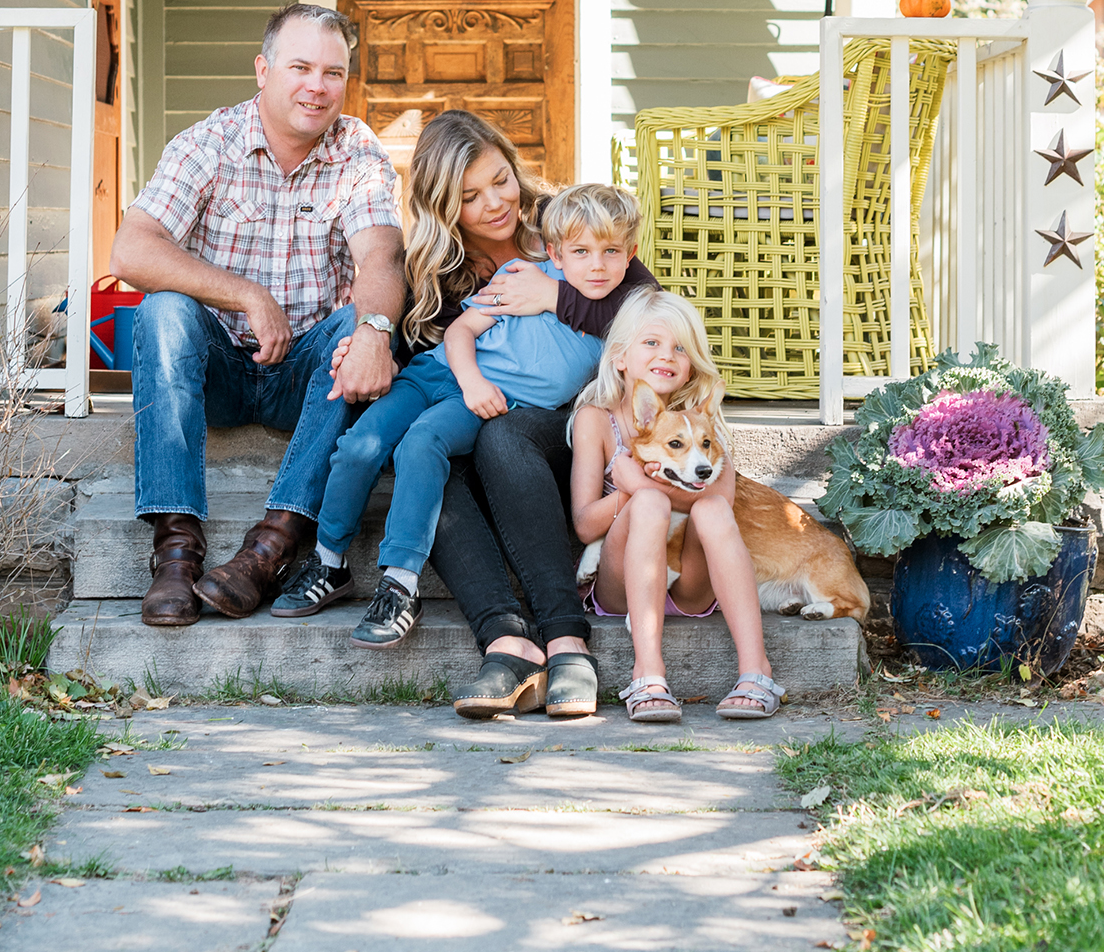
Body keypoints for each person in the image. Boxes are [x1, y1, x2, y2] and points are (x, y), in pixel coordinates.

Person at [322, 109, 659, 721]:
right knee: (424, 454)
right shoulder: (435, 268)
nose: (495, 203)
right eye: (470, 196)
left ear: (515, 164)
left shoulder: (570, 227)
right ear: (444, 206)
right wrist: (368, 340)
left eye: (501, 179)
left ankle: (565, 639)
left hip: (552, 433)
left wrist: (557, 294)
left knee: (500, 437)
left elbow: (650, 317)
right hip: (468, 412)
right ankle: (506, 641)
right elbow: (422, 348)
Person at [109, 3, 405, 628]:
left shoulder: (357, 152)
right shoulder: (208, 143)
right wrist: (245, 293)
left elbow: (380, 258)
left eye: (333, 72)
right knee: (161, 311)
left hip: (308, 374)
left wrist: (375, 331)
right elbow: (132, 250)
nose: (317, 86)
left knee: (359, 325)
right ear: (263, 70)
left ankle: (271, 546)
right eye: (300, 67)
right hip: (219, 368)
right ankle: (176, 552)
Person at [275, 183, 637, 651]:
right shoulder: (521, 275)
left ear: (629, 255)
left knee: (423, 442)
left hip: (482, 406)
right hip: (443, 375)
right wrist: (471, 381)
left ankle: (400, 585)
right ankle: (329, 560)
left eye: (610, 252)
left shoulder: (623, 320)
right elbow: (461, 330)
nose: (597, 265)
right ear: (556, 252)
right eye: (581, 251)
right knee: (359, 446)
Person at [570, 289, 785, 723]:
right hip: (621, 587)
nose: (666, 355)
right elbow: (583, 525)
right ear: (619, 356)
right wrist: (631, 490)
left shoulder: (699, 422)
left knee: (709, 510)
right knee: (648, 503)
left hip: (690, 584)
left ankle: (755, 670)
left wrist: (643, 479)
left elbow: (720, 501)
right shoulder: (598, 420)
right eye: (651, 342)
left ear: (692, 364)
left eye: (680, 347)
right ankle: (647, 672)